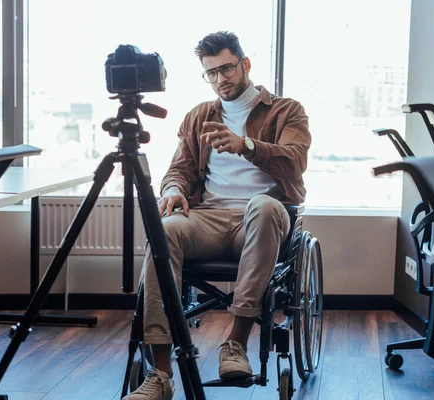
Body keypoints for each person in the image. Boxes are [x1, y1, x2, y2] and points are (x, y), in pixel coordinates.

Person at [124, 31, 311, 400]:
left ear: (245, 65)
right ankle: (160, 373)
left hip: (260, 220)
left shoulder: (286, 110)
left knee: (264, 204)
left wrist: (248, 146)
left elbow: (295, 161)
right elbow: (178, 170)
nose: (220, 79)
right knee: (165, 229)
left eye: (226, 68)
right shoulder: (198, 116)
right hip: (208, 217)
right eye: (211, 73)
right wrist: (175, 190)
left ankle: (235, 344)